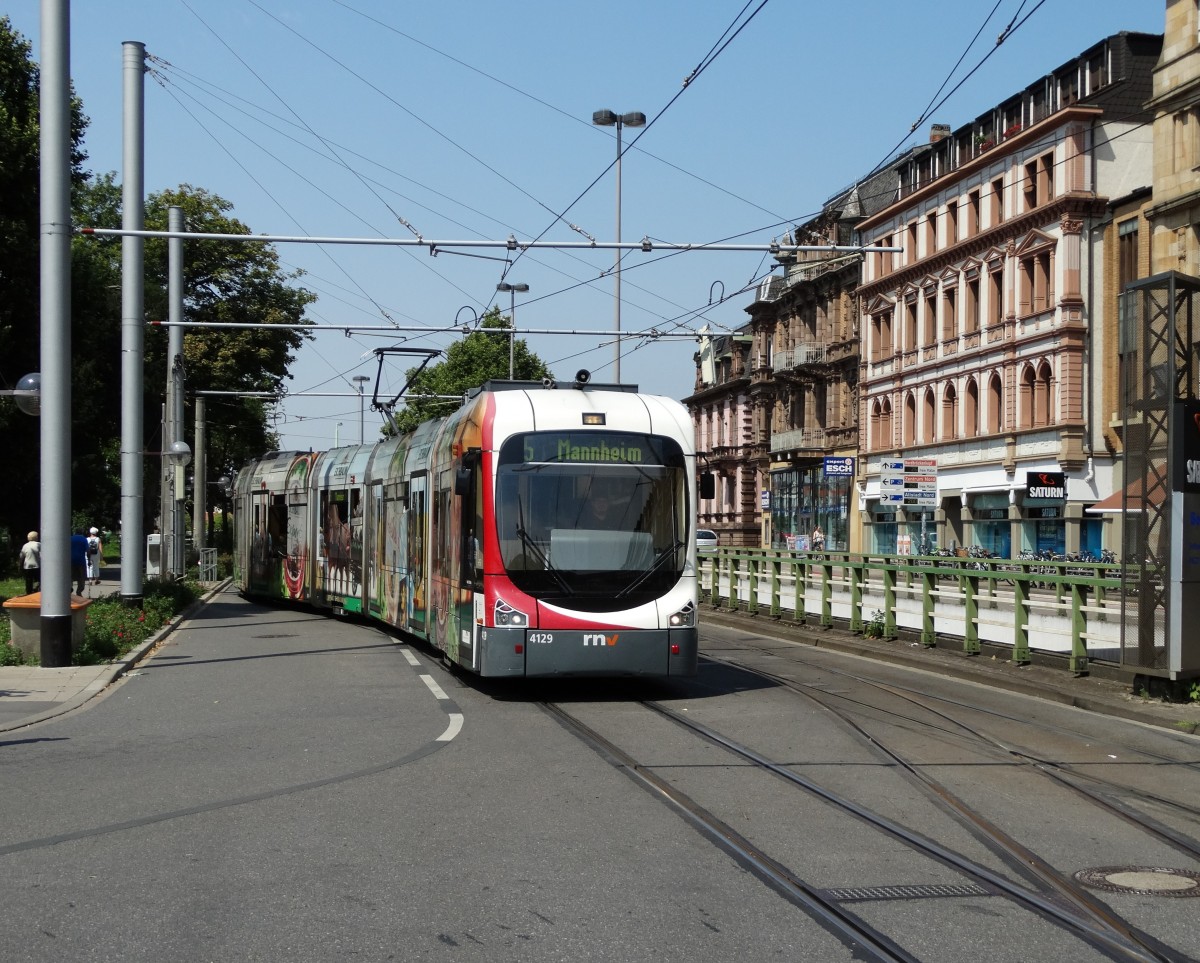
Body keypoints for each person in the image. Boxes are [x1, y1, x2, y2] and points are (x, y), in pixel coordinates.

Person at [19, 530, 40, 595]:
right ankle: (38, 591)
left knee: (28, 580)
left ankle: (29, 593)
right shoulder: (39, 544)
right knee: (39, 579)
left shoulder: (25, 545)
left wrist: (20, 565)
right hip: (38, 565)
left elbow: (22, 556)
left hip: (27, 565)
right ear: (36, 537)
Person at [70, 528, 89, 596]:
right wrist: (89, 559)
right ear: (82, 532)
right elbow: (88, 550)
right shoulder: (84, 539)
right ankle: (79, 590)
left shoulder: (70, 538)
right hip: (81, 561)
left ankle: (70, 587)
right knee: (81, 577)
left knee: (70, 575)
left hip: (70, 560)